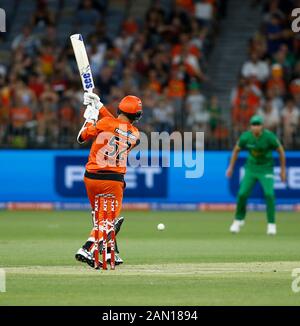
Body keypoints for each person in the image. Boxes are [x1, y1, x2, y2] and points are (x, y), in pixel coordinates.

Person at [75, 92, 142, 268]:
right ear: (137, 116)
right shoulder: (135, 134)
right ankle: (87, 247)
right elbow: (118, 126)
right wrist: (99, 106)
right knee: (108, 220)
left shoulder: (104, 123)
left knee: (99, 218)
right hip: (113, 181)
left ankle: (110, 254)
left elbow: (81, 137)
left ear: (119, 108)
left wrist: (91, 116)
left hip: (91, 178)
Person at [226, 115, 286, 235]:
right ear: (250, 126)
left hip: (266, 169)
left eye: (258, 124)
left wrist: (283, 170)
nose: (256, 127)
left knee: (269, 194)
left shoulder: (269, 137)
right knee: (242, 194)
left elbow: (280, 151)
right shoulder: (246, 137)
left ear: (262, 126)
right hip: (251, 168)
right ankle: (238, 220)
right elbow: (236, 150)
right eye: (254, 124)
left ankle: (271, 224)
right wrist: (231, 167)